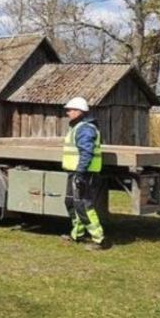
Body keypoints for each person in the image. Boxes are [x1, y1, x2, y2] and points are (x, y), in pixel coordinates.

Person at [60, 96, 105, 250]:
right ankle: (77, 234)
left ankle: (98, 239)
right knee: (71, 202)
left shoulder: (85, 128)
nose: (68, 113)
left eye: (70, 110)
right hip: (75, 172)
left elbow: (86, 152)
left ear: (79, 111)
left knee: (84, 205)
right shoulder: (78, 127)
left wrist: (80, 173)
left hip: (83, 173)